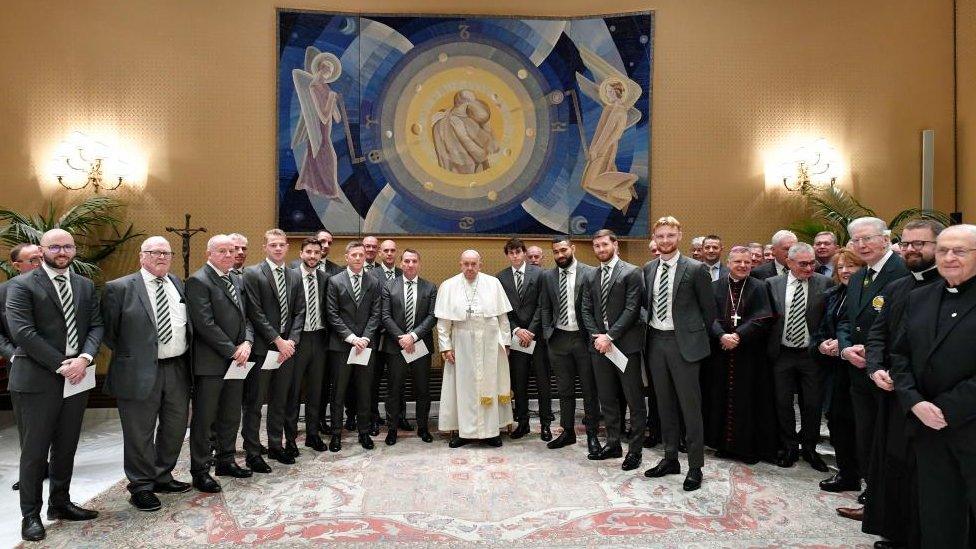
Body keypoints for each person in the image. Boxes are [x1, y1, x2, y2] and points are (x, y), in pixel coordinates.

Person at [6, 229, 103, 542]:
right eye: (55, 246)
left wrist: (85, 358)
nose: (62, 251)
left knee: (66, 446)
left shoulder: (85, 285)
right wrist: (63, 364)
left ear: (74, 250)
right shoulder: (21, 285)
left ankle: (60, 504)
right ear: (43, 250)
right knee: (34, 453)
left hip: (78, 376)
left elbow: (96, 325)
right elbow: (22, 332)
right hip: (37, 379)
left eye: (68, 246)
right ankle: (30, 515)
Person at [890, 224, 976, 548]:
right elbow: (899, 355)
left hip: (969, 424)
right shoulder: (919, 298)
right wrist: (914, 402)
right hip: (928, 430)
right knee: (939, 517)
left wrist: (943, 409)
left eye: (960, 251)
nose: (949, 257)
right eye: (942, 250)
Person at [860, 219, 944, 548]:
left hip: (931, 398)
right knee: (895, 465)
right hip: (893, 393)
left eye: (919, 244)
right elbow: (878, 334)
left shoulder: (948, 286)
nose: (910, 250)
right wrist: (874, 367)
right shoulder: (897, 287)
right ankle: (895, 532)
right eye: (906, 244)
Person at [102, 236, 193, 512]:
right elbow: (109, 332)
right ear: (142, 256)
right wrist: (136, 356)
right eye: (155, 252)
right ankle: (141, 486)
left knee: (175, 427)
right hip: (138, 370)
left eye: (166, 253)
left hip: (176, 367)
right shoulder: (119, 288)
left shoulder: (178, 284)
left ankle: (162, 476)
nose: (161, 257)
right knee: (139, 432)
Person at [837, 217, 909, 512]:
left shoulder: (902, 272)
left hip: (887, 372)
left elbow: (906, 325)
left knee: (886, 440)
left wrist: (874, 353)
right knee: (865, 434)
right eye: (856, 240)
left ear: (886, 239)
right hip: (857, 370)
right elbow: (845, 321)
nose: (862, 245)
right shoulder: (858, 277)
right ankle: (871, 489)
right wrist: (845, 350)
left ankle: (884, 498)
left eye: (868, 238)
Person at [642, 218, 716, 492]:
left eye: (670, 235)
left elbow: (709, 312)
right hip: (656, 343)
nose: (665, 240)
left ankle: (695, 466)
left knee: (690, 408)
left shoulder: (696, 269)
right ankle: (670, 458)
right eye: (660, 235)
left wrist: (693, 339)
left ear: (679, 235)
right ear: (654, 238)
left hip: (684, 346)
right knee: (664, 405)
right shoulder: (648, 268)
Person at [185, 234, 254, 494]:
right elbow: (204, 324)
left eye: (232, 250)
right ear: (209, 254)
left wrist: (247, 343)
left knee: (230, 414)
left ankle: (226, 461)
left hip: (238, 360)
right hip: (211, 363)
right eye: (222, 251)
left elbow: (246, 317)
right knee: (205, 420)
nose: (229, 255)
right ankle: (200, 471)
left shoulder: (236, 277)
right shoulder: (198, 280)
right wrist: (232, 350)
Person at [703, 246, 775, 464]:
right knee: (721, 398)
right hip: (720, 354)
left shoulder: (760, 286)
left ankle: (747, 448)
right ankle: (723, 445)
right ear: (729, 262)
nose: (743, 266)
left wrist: (738, 336)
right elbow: (708, 316)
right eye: (738, 262)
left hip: (749, 355)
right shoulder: (715, 286)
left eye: (747, 262)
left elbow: (764, 316)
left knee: (748, 400)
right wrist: (722, 336)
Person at [580, 229, 646, 468]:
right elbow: (585, 309)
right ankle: (613, 443)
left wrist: (610, 336)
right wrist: (598, 336)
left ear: (615, 245)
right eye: (596, 246)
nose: (600, 250)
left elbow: (632, 310)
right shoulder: (590, 276)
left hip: (625, 346)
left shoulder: (632, 272)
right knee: (607, 398)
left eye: (604, 245)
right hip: (600, 347)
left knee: (633, 399)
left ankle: (635, 451)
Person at [765, 242, 834, 471]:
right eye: (803, 263)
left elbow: (828, 319)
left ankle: (810, 449)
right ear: (789, 263)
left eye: (811, 262)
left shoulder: (824, 284)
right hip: (782, 354)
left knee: (812, 404)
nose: (809, 267)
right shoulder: (772, 284)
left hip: (811, 355)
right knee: (782, 402)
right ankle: (789, 447)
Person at [436, 250, 514, 448]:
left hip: (489, 343)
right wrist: (445, 347)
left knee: (491, 384)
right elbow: (443, 323)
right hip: (461, 344)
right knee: (464, 389)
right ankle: (465, 432)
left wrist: (505, 344)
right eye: (466, 264)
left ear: (481, 264)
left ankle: (491, 431)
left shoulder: (493, 284)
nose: (470, 268)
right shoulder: (449, 285)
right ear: (460, 264)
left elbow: (503, 319)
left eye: (473, 264)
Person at [241, 229, 305, 469]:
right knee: (255, 403)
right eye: (273, 245)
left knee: (280, 400)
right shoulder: (252, 273)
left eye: (282, 245)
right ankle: (253, 452)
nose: (278, 248)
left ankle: (276, 446)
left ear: (287, 247)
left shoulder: (295, 276)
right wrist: (277, 340)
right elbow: (254, 313)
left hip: (287, 350)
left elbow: (300, 312)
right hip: (263, 349)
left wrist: (292, 342)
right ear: (265, 247)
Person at [538, 236, 601, 455]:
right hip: (559, 340)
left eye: (563, 250)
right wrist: (548, 333)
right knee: (564, 390)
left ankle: (592, 434)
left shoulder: (590, 273)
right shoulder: (547, 276)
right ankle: (567, 432)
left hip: (584, 340)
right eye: (555, 252)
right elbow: (544, 307)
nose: (560, 255)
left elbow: (596, 307)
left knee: (589, 390)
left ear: (572, 248)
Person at [814, 248, 866, 499]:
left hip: (859, 368)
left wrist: (843, 346)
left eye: (851, 266)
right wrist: (823, 343)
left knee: (859, 425)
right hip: (834, 370)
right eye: (841, 267)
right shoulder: (834, 294)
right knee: (837, 421)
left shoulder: (869, 295)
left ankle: (868, 479)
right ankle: (847, 474)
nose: (845, 271)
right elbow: (822, 327)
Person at [326, 240, 382, 452]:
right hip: (342, 346)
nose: (358, 258)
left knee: (364, 391)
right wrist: (351, 338)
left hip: (366, 346)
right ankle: (336, 434)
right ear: (347, 257)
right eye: (354, 255)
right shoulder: (334, 281)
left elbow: (376, 314)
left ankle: (364, 433)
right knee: (338, 392)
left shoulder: (374, 281)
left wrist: (365, 339)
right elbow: (332, 314)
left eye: (361, 255)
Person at [497, 238, 552, 441]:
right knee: (519, 384)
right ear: (507, 255)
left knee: (543, 382)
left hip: (537, 339)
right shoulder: (500, 278)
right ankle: (523, 423)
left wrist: (530, 330)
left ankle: (546, 424)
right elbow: (502, 311)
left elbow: (542, 305)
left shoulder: (540, 274)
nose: (515, 255)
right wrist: (518, 330)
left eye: (518, 251)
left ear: (524, 253)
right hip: (516, 339)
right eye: (511, 252)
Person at [380, 249, 437, 445]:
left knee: (422, 390)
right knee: (394, 390)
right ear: (401, 263)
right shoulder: (388, 286)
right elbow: (385, 316)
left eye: (414, 261)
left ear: (419, 263)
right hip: (396, 348)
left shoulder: (430, 287)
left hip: (420, 346)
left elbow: (432, 317)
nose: (410, 264)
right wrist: (402, 338)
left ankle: (423, 428)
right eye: (406, 261)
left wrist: (413, 336)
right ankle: (392, 429)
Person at [0, 243, 42, 492]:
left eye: (40, 258)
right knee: (28, 425)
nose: (38, 263)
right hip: (23, 367)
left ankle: (56, 468)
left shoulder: (55, 288)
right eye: (32, 260)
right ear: (17, 265)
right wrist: (13, 355)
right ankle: (33, 471)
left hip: (59, 366)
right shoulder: (3, 292)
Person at [288, 238, 329, 452]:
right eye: (309, 252)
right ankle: (291, 437)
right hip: (298, 339)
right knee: (293, 390)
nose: (313, 256)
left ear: (321, 254)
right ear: (301, 253)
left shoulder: (325, 278)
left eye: (316, 252)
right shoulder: (291, 276)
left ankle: (312, 434)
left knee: (316, 389)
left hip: (319, 339)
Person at [370, 238, 404, 434]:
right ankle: (373, 419)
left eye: (393, 251)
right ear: (380, 253)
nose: (389, 254)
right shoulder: (372, 274)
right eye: (386, 251)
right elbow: (371, 306)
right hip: (376, 337)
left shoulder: (403, 273)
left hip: (397, 340)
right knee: (373, 381)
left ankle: (399, 417)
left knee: (397, 381)